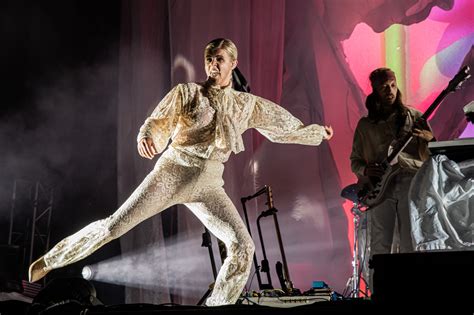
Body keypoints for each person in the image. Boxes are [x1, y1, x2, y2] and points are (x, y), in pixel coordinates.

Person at [28, 38, 334, 306]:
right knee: (113, 227)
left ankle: (218, 305)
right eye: (210, 59)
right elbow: (158, 122)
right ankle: (50, 260)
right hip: (172, 174)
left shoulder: (246, 105)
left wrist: (315, 133)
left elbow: (280, 125)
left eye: (220, 59)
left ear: (233, 63)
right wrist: (148, 138)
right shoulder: (187, 93)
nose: (214, 65)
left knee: (244, 247)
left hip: (209, 185)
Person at [350, 68, 434, 269]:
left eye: (393, 85)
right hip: (380, 191)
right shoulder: (366, 125)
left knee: (410, 243)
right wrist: (366, 170)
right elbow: (355, 161)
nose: (390, 90)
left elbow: (433, 155)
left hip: (410, 186)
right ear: (375, 91)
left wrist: (428, 139)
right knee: (379, 246)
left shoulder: (415, 117)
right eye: (383, 87)